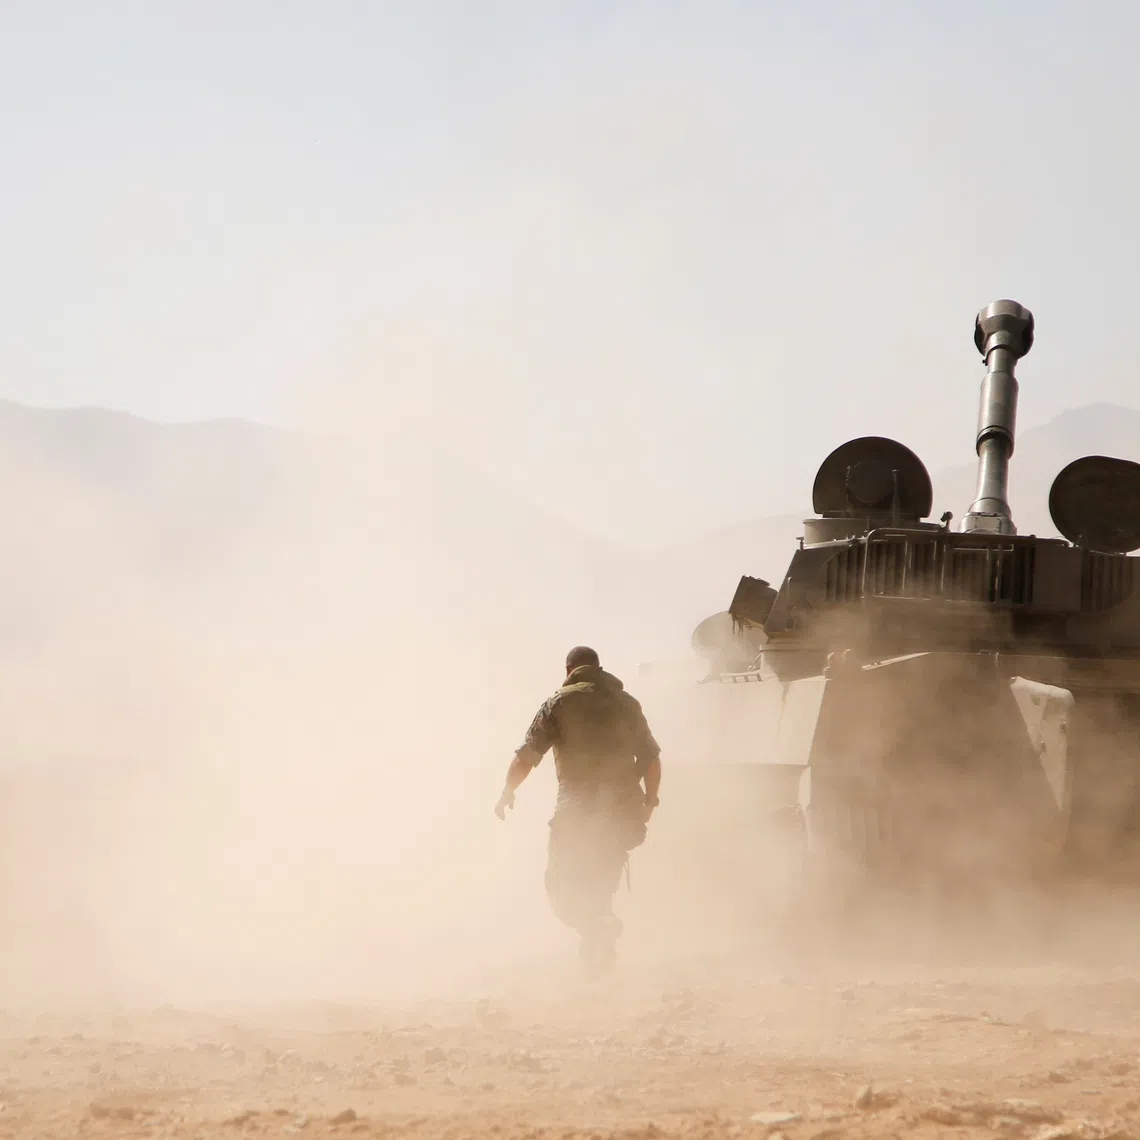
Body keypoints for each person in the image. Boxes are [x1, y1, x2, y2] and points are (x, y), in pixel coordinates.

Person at [494, 645, 662, 974]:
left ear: (569, 670)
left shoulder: (560, 702)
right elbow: (652, 759)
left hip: (579, 808)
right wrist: (649, 804)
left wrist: (508, 789)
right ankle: (599, 952)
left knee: (561, 887)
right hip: (624, 808)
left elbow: (528, 755)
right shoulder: (627, 704)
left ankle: (596, 930)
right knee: (602, 884)